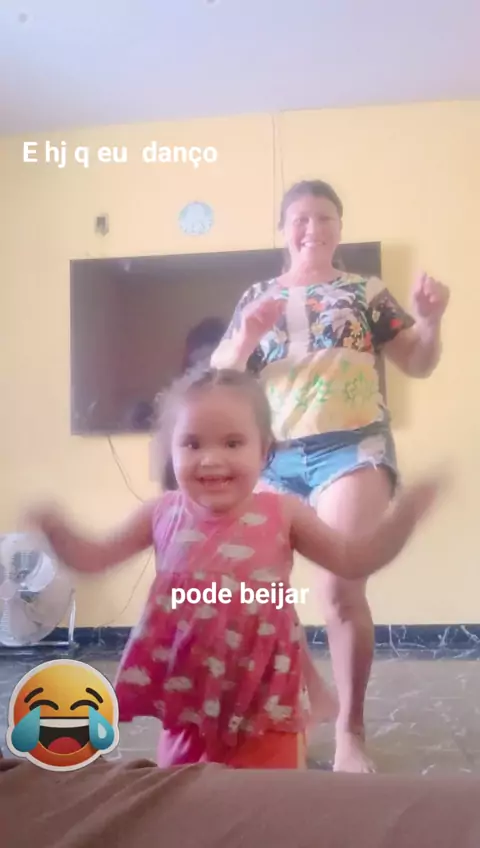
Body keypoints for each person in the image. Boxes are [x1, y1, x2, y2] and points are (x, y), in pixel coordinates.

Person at [26, 367, 443, 770]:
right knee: (185, 801)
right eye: (192, 444)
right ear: (171, 452)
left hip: (267, 703)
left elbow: (352, 559)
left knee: (267, 805)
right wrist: (58, 534)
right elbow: (96, 558)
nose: (211, 459)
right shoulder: (161, 513)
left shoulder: (284, 514)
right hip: (188, 704)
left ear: (264, 451)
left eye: (232, 443)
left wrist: (403, 519)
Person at [210, 179, 450, 773]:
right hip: (275, 457)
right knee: (265, 594)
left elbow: (418, 362)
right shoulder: (258, 295)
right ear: (283, 230)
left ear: (339, 229)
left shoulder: (365, 292)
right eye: (301, 218)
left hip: (353, 447)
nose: (313, 228)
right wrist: (245, 335)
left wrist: (429, 321)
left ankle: (350, 731)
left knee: (341, 589)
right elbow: (221, 375)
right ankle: (306, 704)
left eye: (325, 218)